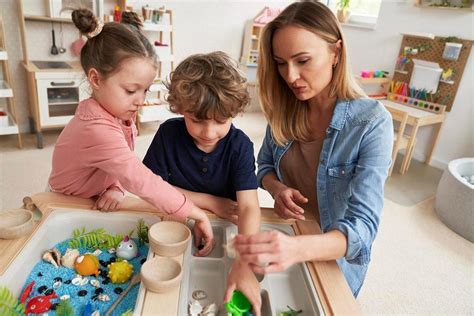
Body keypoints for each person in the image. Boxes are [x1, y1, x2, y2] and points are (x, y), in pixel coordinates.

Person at [234, 1, 393, 297]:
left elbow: (363, 228)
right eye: (281, 63)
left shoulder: (371, 123)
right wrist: (277, 189)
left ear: (336, 52)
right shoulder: (285, 108)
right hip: (289, 235)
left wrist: (297, 248)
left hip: (331, 259)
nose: (290, 76)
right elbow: (264, 166)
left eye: (302, 60)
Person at [48, 9, 214, 256]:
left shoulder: (119, 112)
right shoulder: (94, 128)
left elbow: (116, 163)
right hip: (65, 201)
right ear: (95, 79)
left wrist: (115, 187)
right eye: (130, 90)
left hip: (95, 193)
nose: (139, 101)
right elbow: (138, 178)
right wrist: (194, 211)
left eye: (145, 91)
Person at [143, 51, 262, 314]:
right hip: (176, 217)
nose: (209, 133)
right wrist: (210, 202)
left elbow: (250, 208)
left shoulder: (240, 145)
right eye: (196, 120)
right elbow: (149, 186)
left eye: (221, 121)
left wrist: (244, 260)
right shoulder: (167, 134)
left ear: (235, 112)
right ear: (180, 108)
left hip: (224, 228)